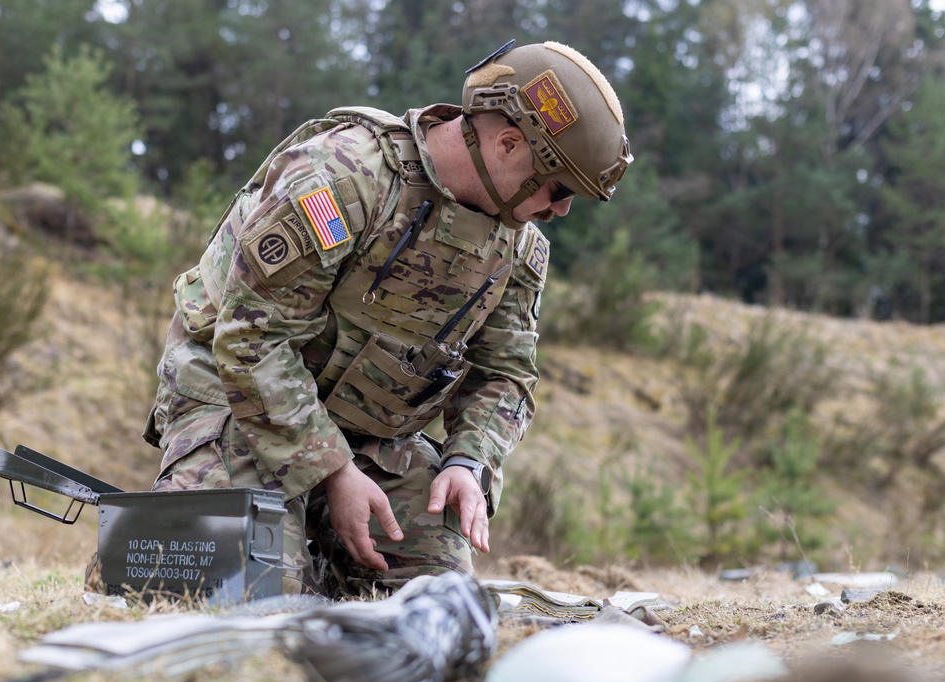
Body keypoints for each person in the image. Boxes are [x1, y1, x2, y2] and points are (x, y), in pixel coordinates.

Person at [141, 39, 632, 597]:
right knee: (247, 595)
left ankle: (314, 550)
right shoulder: (343, 179)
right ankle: (230, 534)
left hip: (368, 433)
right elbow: (252, 339)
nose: (561, 208)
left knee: (439, 602)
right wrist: (333, 471)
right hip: (238, 404)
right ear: (508, 144)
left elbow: (506, 374)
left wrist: (469, 463)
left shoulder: (518, 249)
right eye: (559, 187)